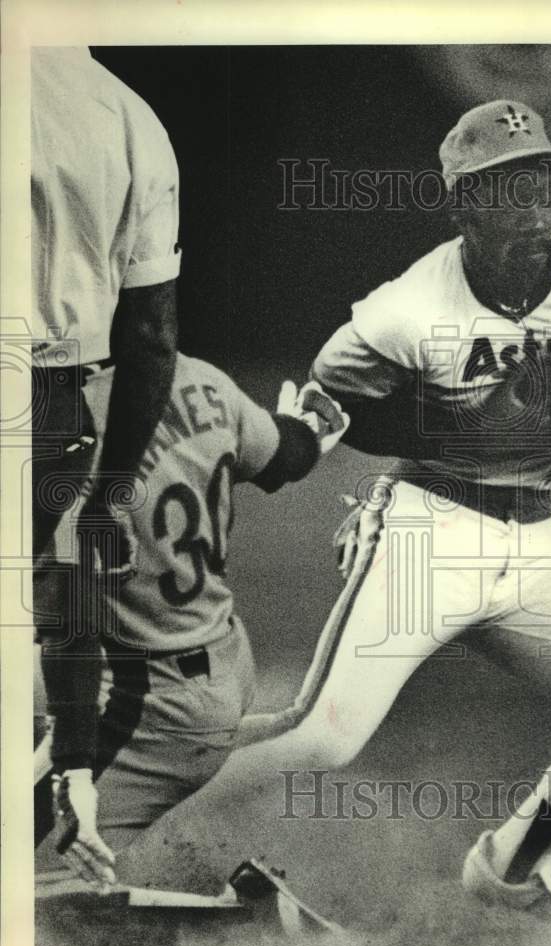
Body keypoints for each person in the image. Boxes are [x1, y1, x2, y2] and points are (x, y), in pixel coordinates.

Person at [230, 100, 551, 934]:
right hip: (427, 529)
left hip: (533, 539)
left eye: (544, 180)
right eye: (506, 187)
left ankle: (511, 869)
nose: (533, 205)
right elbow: (338, 411)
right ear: (461, 205)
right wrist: (490, 419)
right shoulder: (400, 312)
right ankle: (88, 792)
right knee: (322, 737)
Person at [35, 354, 348, 888]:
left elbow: (73, 637)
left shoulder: (66, 437)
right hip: (215, 654)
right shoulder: (202, 382)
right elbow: (285, 456)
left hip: (143, 702)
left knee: (24, 876)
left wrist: (74, 768)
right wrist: (310, 427)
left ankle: (234, 922)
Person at [31, 46, 182, 885]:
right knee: (58, 597)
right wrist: (112, 495)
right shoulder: (129, 118)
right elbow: (152, 337)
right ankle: (71, 785)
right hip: (53, 398)